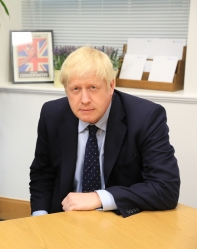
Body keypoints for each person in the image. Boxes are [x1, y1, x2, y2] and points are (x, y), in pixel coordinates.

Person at [29, 46, 180, 217]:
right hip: (65, 218)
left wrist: (99, 198)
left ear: (111, 86)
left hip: (120, 220)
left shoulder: (145, 118)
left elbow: (166, 188)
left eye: (93, 87)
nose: (84, 100)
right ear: (66, 90)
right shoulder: (52, 114)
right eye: (75, 89)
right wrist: (40, 218)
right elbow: (42, 174)